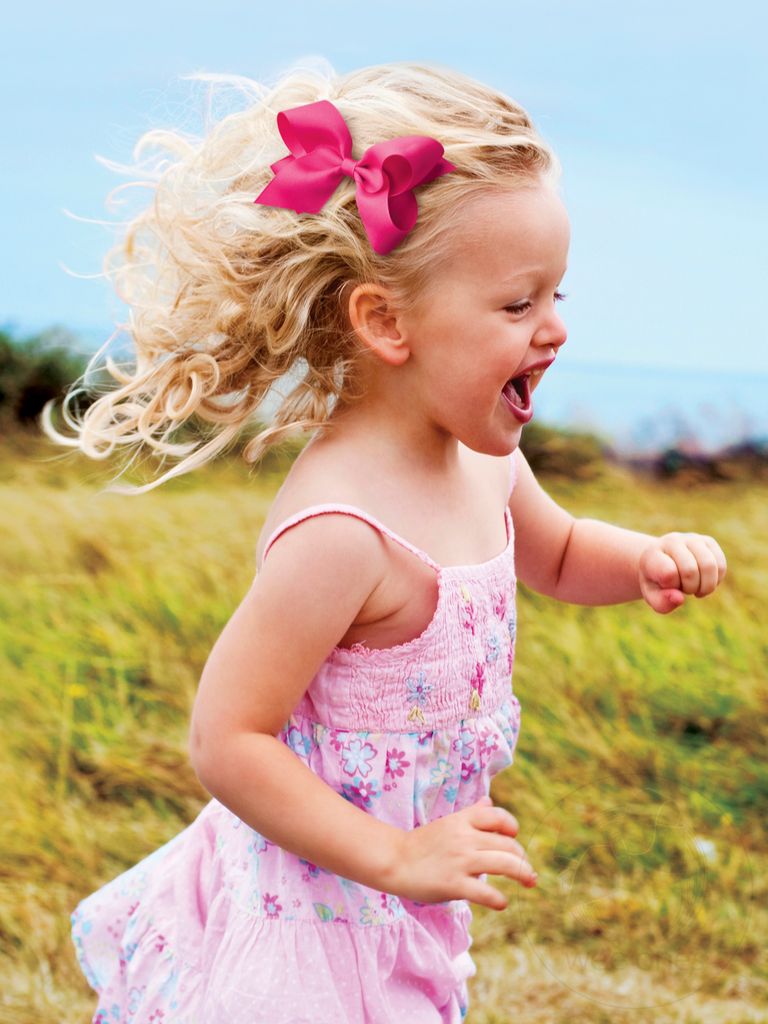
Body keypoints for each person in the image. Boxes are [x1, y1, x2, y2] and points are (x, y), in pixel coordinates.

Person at [47, 58, 727, 1024]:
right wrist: (396, 857)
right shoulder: (342, 533)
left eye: (557, 297)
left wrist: (647, 560)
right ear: (386, 321)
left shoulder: (486, 460)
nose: (556, 331)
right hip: (312, 914)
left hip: (395, 902)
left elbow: (564, 555)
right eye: (517, 304)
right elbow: (227, 737)